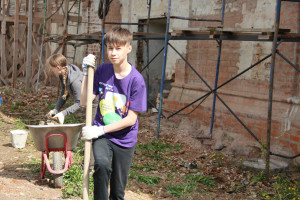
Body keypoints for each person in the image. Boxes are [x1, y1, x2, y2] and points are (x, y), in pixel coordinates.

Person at [80, 27, 147, 200]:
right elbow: (84, 101)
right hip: (103, 136)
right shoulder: (102, 71)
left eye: (118, 48)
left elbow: (131, 119)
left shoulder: (136, 80)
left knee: (117, 191)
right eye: (110, 48)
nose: (113, 53)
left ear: (128, 49)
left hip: (125, 138)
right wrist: (86, 73)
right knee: (101, 166)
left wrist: (100, 130)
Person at [46, 54, 83, 124]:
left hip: (96, 103)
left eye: (52, 69)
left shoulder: (75, 81)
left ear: (58, 68)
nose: (52, 71)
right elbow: (65, 92)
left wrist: (63, 113)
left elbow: (80, 103)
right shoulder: (63, 74)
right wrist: (56, 109)